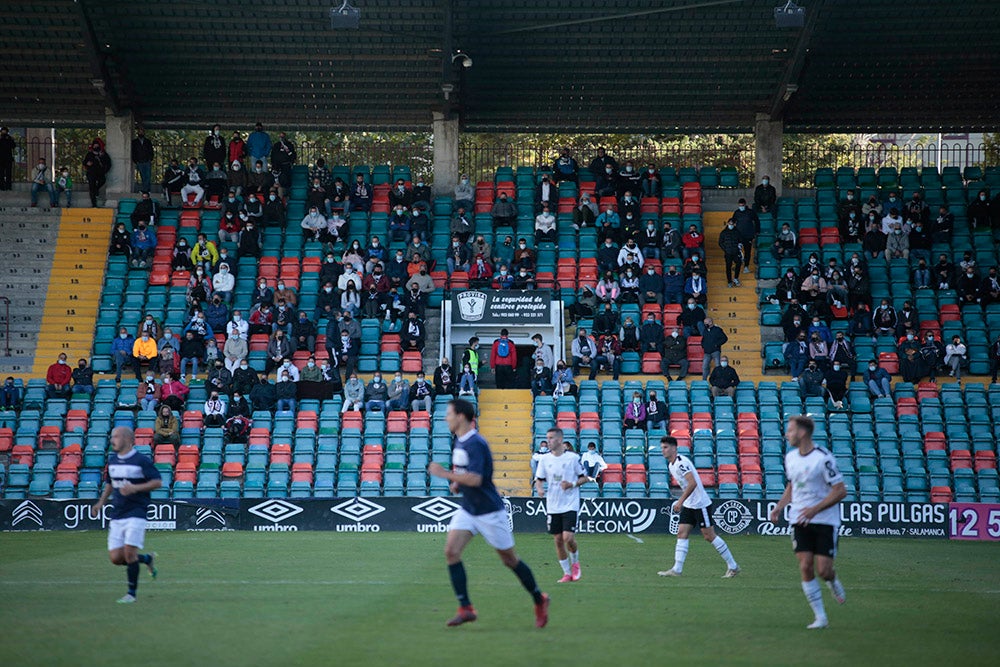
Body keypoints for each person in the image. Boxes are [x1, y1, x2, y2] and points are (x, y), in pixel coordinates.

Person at [427, 399, 550, 628]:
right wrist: (457, 484)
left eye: (449, 413)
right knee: (451, 551)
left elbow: (476, 479)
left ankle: (539, 599)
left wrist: (445, 475)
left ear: (461, 416)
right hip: (469, 508)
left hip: (489, 511)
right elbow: (466, 474)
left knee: (510, 560)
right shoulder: (460, 440)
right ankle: (466, 608)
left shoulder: (475, 443)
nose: (446, 418)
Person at [768, 416, 847, 629]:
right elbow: (793, 486)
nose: (787, 434)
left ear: (802, 432)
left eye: (790, 430)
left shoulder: (823, 458)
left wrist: (815, 509)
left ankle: (832, 580)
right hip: (799, 520)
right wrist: (779, 506)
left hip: (825, 520)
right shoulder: (791, 457)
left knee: (824, 570)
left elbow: (840, 490)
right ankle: (820, 617)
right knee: (805, 566)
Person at [90, 427, 161, 604]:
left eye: (116, 437)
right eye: (112, 436)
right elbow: (110, 484)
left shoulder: (141, 460)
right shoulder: (113, 461)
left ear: (128, 440)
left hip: (136, 512)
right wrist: (100, 502)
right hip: (117, 513)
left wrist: (135, 488)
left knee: (129, 554)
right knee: (116, 558)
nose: (112, 440)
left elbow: (157, 481)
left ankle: (131, 594)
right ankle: (147, 559)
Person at [657, 436, 741, 579]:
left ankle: (733, 566)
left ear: (674, 448)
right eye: (662, 448)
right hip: (690, 504)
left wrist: (680, 501)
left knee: (709, 536)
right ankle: (677, 569)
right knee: (681, 533)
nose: (663, 451)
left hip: (700, 504)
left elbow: (693, 483)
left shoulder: (681, 463)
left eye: (665, 447)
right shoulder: (671, 465)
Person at [533, 427, 587, 583]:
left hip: (570, 503)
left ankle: (575, 562)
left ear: (559, 440)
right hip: (553, 505)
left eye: (551, 438)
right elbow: (539, 478)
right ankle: (566, 573)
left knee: (567, 538)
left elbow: (585, 478)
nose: (548, 441)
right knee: (557, 539)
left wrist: (572, 484)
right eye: (547, 438)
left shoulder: (572, 458)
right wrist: (540, 489)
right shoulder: (544, 459)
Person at [732, 198, 759, 271]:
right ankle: (737, 264)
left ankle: (746, 266)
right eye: (740, 205)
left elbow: (756, 221)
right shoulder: (737, 213)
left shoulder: (750, 212)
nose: (741, 207)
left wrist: (757, 231)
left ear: (745, 204)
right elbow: (732, 221)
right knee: (737, 251)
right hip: (739, 236)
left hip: (748, 235)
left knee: (747, 251)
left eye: (742, 205)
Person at [82, 141, 111, 207]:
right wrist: (87, 164)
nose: (95, 147)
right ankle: (94, 204)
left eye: (97, 146)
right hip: (91, 173)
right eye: (94, 146)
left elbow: (108, 163)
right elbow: (84, 162)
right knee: (91, 188)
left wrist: (105, 170)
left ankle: (96, 189)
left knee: (102, 181)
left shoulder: (103, 154)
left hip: (100, 173)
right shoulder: (89, 154)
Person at [718, 218, 743, 287]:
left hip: (736, 252)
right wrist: (725, 249)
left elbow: (740, 240)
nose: (730, 225)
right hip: (728, 253)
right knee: (728, 267)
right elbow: (720, 242)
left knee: (739, 263)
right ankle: (729, 281)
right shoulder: (723, 232)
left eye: (732, 224)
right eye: (729, 224)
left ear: (734, 224)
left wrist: (740, 245)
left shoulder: (737, 232)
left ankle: (735, 278)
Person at [0, 126, 14, 191]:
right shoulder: (0, 138)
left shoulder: (9, 138)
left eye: (5, 131)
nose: (3, 132)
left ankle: (8, 187)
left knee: (8, 174)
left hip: (8, 159)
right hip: (1, 159)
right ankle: (2, 187)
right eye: (2, 131)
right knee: (1, 174)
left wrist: (9, 139)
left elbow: (13, 146)